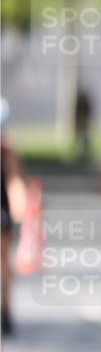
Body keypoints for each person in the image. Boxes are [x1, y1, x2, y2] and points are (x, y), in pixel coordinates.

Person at [1, 98, 28, 337]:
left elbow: (13, 179)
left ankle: (6, 309)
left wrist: (20, 205)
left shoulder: (7, 148)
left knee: (3, 261)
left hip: (2, 207)